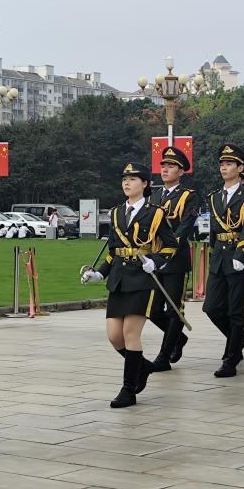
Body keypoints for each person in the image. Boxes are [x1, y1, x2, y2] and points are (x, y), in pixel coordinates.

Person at [82, 163, 178, 406]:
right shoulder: (116, 213)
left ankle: (128, 391)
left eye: (133, 179)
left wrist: (155, 262)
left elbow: (170, 245)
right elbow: (113, 251)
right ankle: (142, 368)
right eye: (125, 178)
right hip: (119, 280)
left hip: (142, 280)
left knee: (130, 333)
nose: (127, 182)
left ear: (145, 184)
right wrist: (100, 274)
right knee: (114, 336)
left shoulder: (156, 213)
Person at [203, 144, 244, 378]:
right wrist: (213, 254)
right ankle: (236, 340)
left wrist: (241, 254)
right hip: (219, 258)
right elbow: (213, 232)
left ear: (240, 168)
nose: (224, 168)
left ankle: (231, 359)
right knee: (212, 308)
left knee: (237, 311)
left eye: (229, 164)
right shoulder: (214, 197)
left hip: (240, 257)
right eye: (222, 164)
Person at [147, 146, 200, 371]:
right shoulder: (154, 196)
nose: (165, 170)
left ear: (181, 171)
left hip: (176, 260)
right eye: (163, 166)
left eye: (170, 166)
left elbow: (185, 227)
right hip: (154, 260)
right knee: (153, 312)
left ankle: (163, 357)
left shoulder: (189, 196)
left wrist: (167, 251)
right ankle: (179, 338)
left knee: (174, 309)